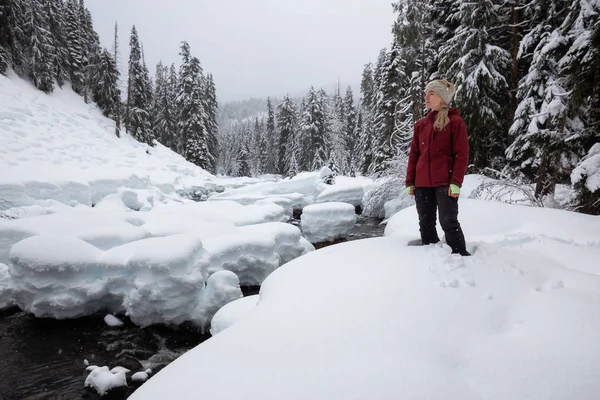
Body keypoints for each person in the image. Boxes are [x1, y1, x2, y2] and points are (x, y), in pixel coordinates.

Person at [405, 79, 470, 256]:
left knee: (448, 220)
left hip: (445, 182)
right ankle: (431, 257)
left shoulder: (456, 122)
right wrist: (410, 181)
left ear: (442, 97)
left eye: (431, 93)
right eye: (426, 93)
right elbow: (414, 155)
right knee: (425, 222)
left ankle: (460, 257)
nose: (426, 97)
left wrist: (456, 182)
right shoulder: (421, 125)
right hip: (422, 183)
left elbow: (461, 155)